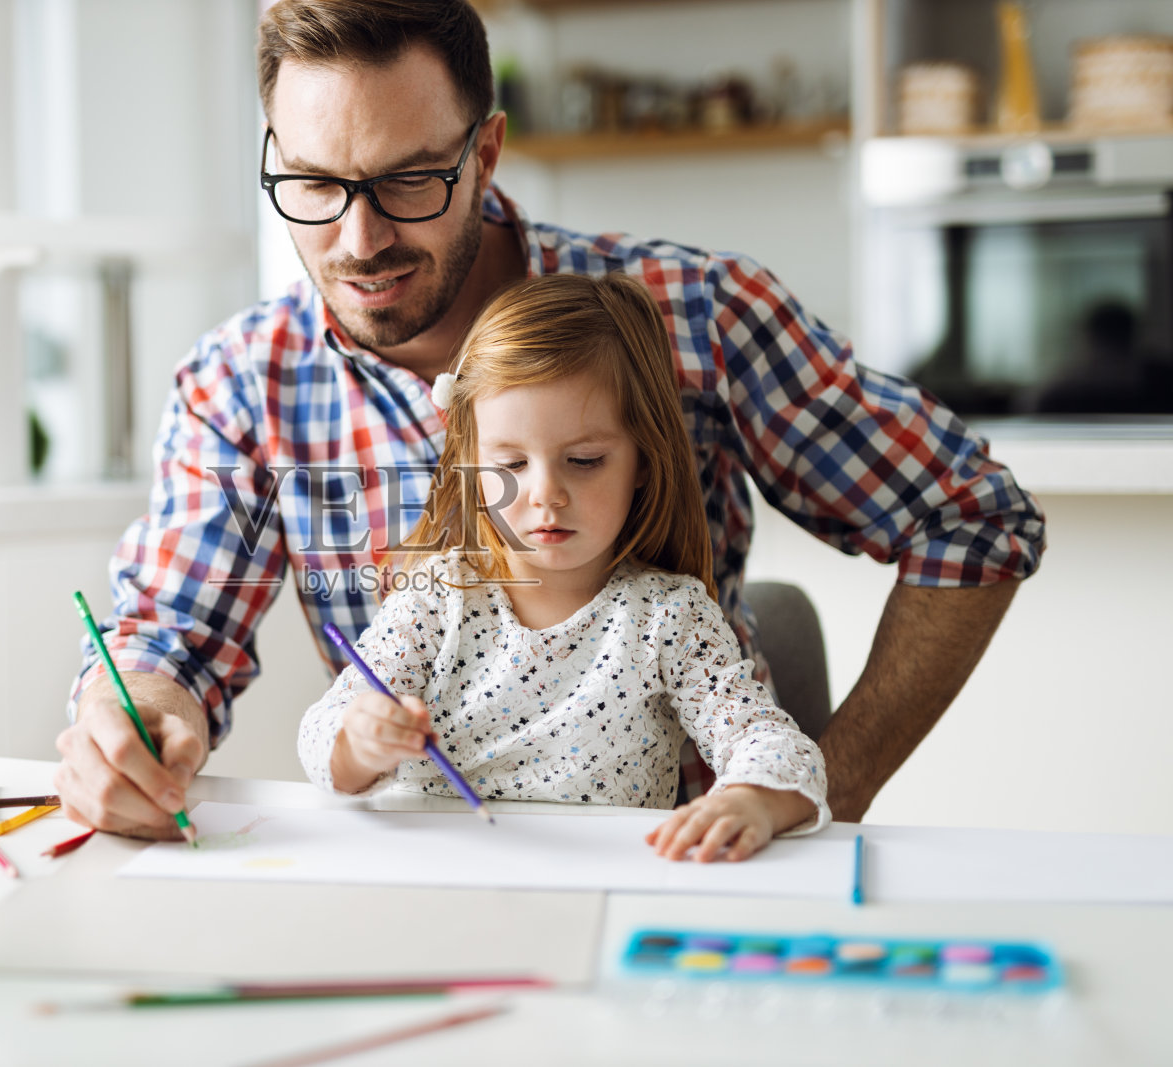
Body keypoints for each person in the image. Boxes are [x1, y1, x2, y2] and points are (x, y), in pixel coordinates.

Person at [52, 0, 1044, 840]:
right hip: (428, 868)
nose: (356, 240)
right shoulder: (240, 383)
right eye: (312, 183)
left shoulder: (691, 311)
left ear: (485, 150)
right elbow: (169, 640)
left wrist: (828, 787)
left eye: (406, 180)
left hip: (674, 865)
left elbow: (971, 516)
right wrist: (130, 713)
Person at [299, 274, 830, 861]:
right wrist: (360, 742)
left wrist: (753, 799)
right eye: (511, 463)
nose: (546, 494)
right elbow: (323, 739)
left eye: (583, 461)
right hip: (436, 884)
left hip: (603, 891)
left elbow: (774, 744)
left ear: (644, 460)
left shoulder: (669, 619)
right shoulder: (435, 600)